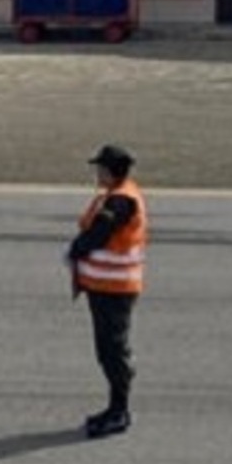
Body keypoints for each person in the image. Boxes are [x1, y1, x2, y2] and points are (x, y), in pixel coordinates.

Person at [66, 143, 148, 439]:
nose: (97, 173)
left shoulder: (120, 201)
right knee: (108, 350)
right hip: (105, 287)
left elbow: (99, 234)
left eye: (100, 168)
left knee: (113, 351)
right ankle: (116, 408)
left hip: (114, 289)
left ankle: (119, 411)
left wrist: (77, 248)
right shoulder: (116, 194)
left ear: (112, 172)